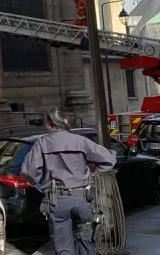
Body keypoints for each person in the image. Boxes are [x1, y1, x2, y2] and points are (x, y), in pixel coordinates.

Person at [21, 107, 117, 255]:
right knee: (86, 245)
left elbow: (29, 172)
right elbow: (109, 160)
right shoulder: (81, 141)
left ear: (48, 125)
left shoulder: (41, 143)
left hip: (57, 201)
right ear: (65, 122)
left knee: (63, 248)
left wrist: (40, 182)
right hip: (83, 198)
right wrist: (94, 168)